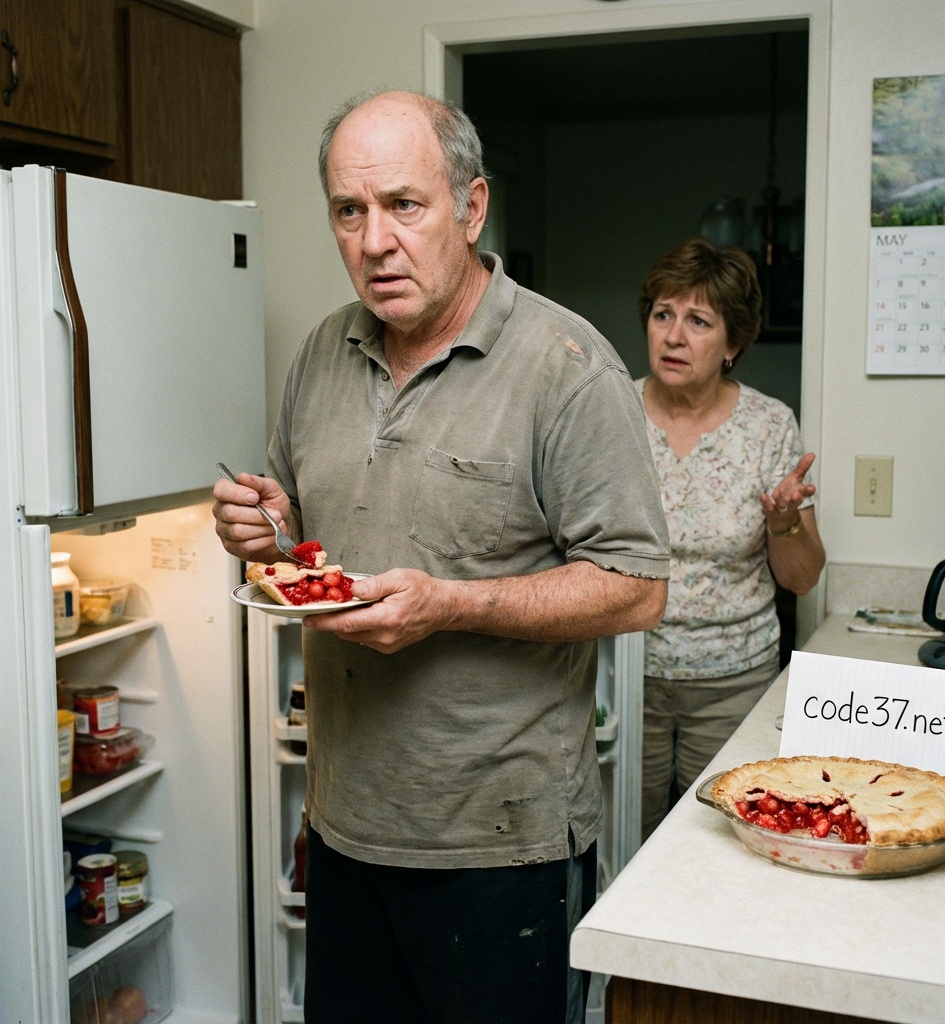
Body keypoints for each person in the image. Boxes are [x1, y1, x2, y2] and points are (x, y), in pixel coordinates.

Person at [212, 89, 669, 1024]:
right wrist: (263, 530)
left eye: (404, 205)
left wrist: (450, 604)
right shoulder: (320, 354)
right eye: (350, 210)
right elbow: (298, 529)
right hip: (342, 824)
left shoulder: (566, 366)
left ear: (471, 206)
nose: (374, 241)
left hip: (502, 848)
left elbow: (636, 588)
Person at [635, 237, 825, 842]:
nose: (673, 336)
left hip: (733, 683)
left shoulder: (768, 426)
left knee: (716, 842)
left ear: (733, 345)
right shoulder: (609, 410)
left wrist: (783, 523)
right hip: (622, 673)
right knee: (615, 844)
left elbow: (801, 578)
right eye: (663, 314)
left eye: (698, 321)